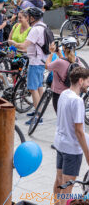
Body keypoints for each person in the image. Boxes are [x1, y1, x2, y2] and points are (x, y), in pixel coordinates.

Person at [52, 67, 89, 205]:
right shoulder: (77, 101)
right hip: (72, 148)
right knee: (67, 187)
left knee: (59, 181)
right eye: (87, 81)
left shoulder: (64, 94)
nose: (88, 85)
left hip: (60, 143)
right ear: (80, 81)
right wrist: (87, 154)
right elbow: (78, 131)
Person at [8, 7, 48, 118]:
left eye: (28, 16)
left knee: (32, 88)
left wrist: (13, 43)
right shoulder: (43, 26)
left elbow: (23, 45)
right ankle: (39, 111)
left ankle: (37, 116)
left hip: (35, 62)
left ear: (32, 18)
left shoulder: (35, 29)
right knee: (39, 86)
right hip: (41, 60)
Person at [45, 37, 79, 113]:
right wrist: (60, 54)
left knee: (61, 118)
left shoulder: (59, 62)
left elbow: (47, 66)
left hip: (59, 94)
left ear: (63, 47)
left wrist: (51, 53)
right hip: (72, 93)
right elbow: (66, 63)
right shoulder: (77, 60)